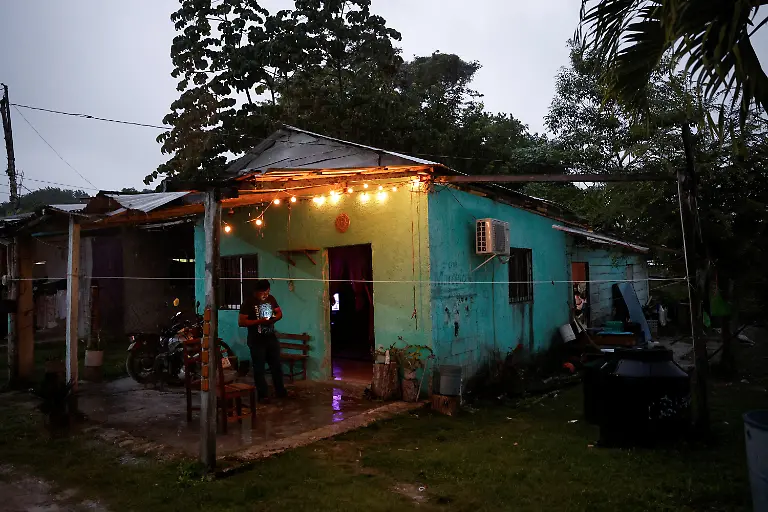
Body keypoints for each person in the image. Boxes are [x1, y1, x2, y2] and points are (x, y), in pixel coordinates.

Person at [239, 279, 287, 401]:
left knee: (276, 366)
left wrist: (274, 319)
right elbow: (242, 322)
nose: (265, 295)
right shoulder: (248, 302)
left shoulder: (271, 299)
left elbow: (279, 312)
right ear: (256, 292)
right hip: (256, 340)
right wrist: (259, 321)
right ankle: (263, 395)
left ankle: (280, 391)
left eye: (267, 292)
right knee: (259, 368)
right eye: (263, 293)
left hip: (271, 338)